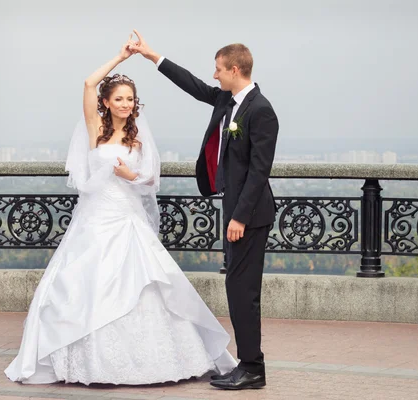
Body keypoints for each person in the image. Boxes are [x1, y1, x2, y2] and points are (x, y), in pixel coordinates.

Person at [4, 36, 237, 386]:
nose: (126, 104)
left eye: (130, 99)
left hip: (127, 219)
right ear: (107, 103)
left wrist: (134, 175)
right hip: (95, 219)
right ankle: (83, 359)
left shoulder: (137, 139)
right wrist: (120, 57)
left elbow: (150, 179)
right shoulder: (95, 131)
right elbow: (87, 82)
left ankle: (154, 360)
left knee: (146, 284)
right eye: (119, 99)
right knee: (82, 284)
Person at [129, 30, 279, 390]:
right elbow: (193, 85)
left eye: (218, 70)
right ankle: (248, 364)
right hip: (235, 211)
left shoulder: (261, 111)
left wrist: (239, 217)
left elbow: (260, 172)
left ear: (235, 69)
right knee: (236, 288)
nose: (214, 75)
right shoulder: (228, 102)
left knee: (243, 291)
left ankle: (252, 368)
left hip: (250, 216)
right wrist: (152, 56)